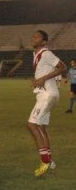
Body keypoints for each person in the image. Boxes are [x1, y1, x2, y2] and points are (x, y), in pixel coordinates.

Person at [28, 30, 66, 177]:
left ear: (44, 42)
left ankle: (45, 160)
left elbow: (62, 67)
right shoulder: (36, 54)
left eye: (36, 36)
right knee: (42, 127)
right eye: (33, 35)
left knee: (32, 125)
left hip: (48, 94)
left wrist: (43, 78)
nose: (33, 38)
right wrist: (38, 80)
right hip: (46, 94)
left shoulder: (46, 53)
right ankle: (50, 160)